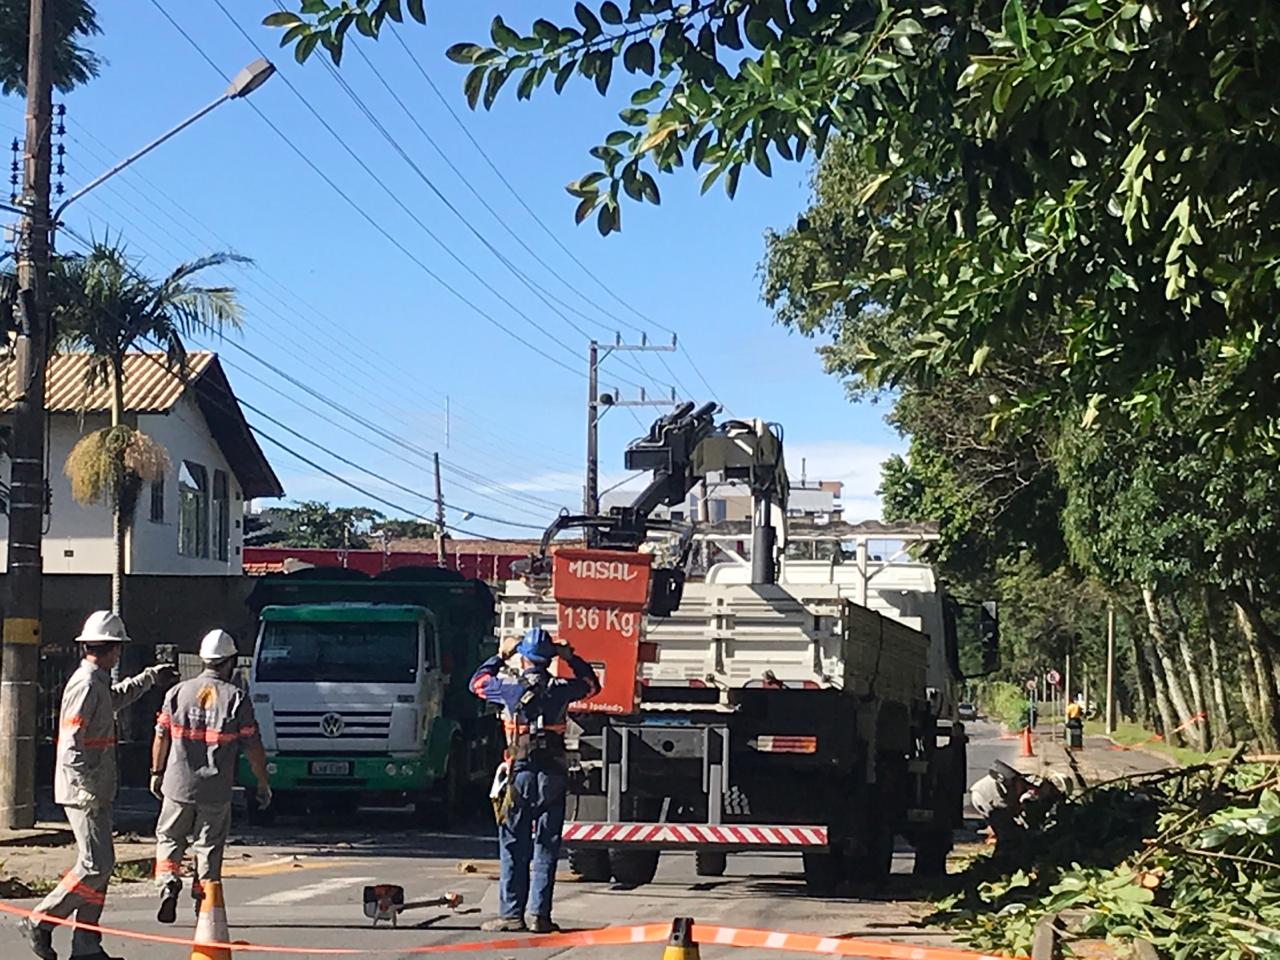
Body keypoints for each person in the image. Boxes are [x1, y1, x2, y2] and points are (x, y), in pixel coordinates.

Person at [22, 611, 176, 960]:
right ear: (112, 649)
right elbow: (71, 739)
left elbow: (115, 699)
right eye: (119, 647)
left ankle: (87, 945)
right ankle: (41, 920)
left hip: (95, 786)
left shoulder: (98, 681)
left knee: (101, 867)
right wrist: (84, 782)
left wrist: (149, 678)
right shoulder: (87, 683)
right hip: (84, 790)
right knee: (94, 865)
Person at [470, 627, 600, 934]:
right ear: (549, 659)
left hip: (520, 775)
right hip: (552, 775)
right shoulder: (561, 688)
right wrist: (572, 657)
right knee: (546, 845)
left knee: (514, 845)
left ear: (525, 658)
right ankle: (539, 915)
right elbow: (593, 686)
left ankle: (511, 914)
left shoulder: (508, 688)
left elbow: (476, 683)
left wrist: (502, 654)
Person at [151, 629, 272, 924]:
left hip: (177, 784)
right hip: (216, 789)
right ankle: (203, 898)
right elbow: (253, 746)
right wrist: (262, 781)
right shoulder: (236, 698)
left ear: (204, 660)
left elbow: (161, 737)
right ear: (229, 661)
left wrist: (156, 772)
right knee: (208, 845)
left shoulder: (177, 692)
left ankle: (168, 881)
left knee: (169, 836)